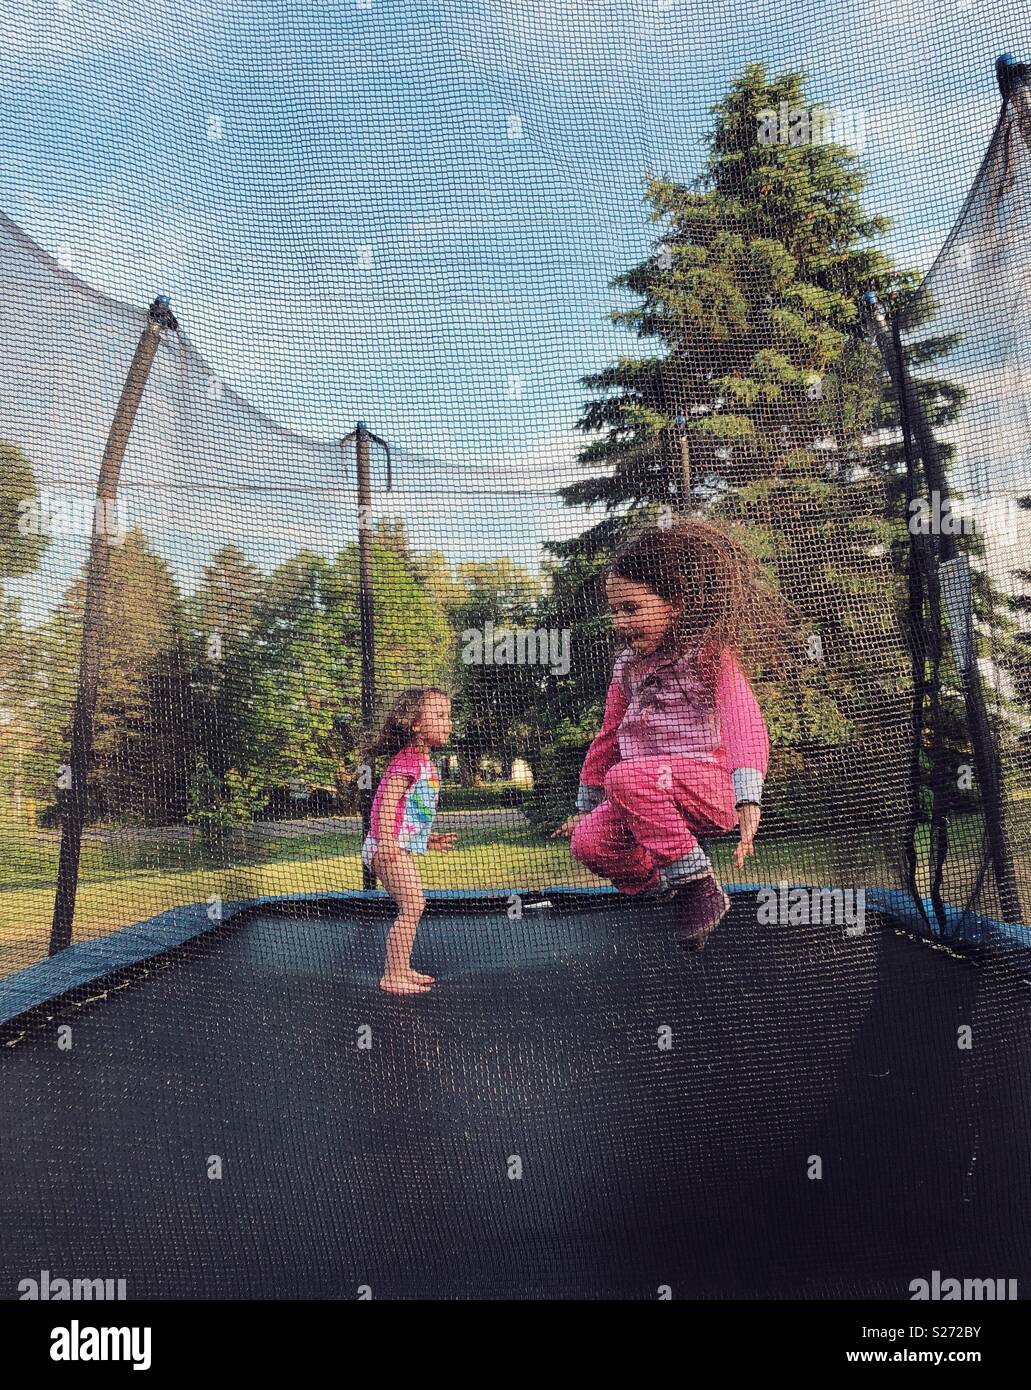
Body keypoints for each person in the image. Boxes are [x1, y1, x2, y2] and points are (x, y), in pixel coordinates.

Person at [553, 518, 793, 951]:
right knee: (589, 844)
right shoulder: (626, 668)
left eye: (632, 608)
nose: (621, 622)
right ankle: (668, 881)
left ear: (675, 603)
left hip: (710, 786)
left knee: (627, 778)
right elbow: (608, 735)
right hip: (646, 795)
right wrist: (586, 805)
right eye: (615, 611)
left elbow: (743, 718)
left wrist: (748, 793)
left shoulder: (707, 654)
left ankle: (698, 888)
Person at [362, 687, 456, 993]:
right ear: (416, 723)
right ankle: (392, 975)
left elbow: (409, 814)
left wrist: (427, 841)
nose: (448, 722)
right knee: (413, 904)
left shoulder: (422, 761)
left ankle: (401, 968)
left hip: (391, 843)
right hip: (384, 846)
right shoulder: (408, 761)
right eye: (440, 715)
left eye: (449, 716)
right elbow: (388, 800)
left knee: (413, 905)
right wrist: (387, 841)